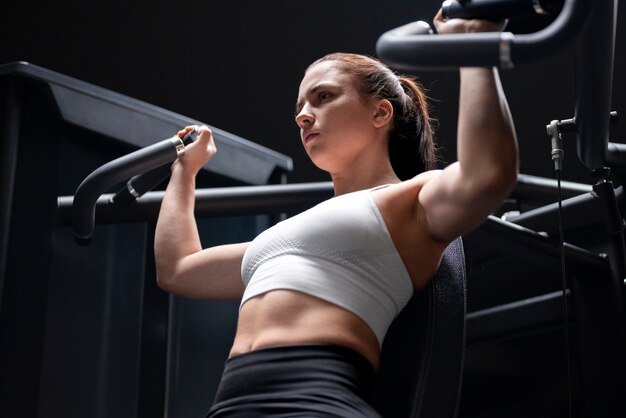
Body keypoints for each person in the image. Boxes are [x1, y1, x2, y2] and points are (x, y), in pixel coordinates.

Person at [154, 9, 518, 418]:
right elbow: (178, 267)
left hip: (317, 404)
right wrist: (184, 171)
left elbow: (488, 174)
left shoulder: (409, 199)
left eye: (323, 96)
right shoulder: (280, 237)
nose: (302, 114)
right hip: (230, 408)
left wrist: (476, 47)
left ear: (380, 113)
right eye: (300, 106)